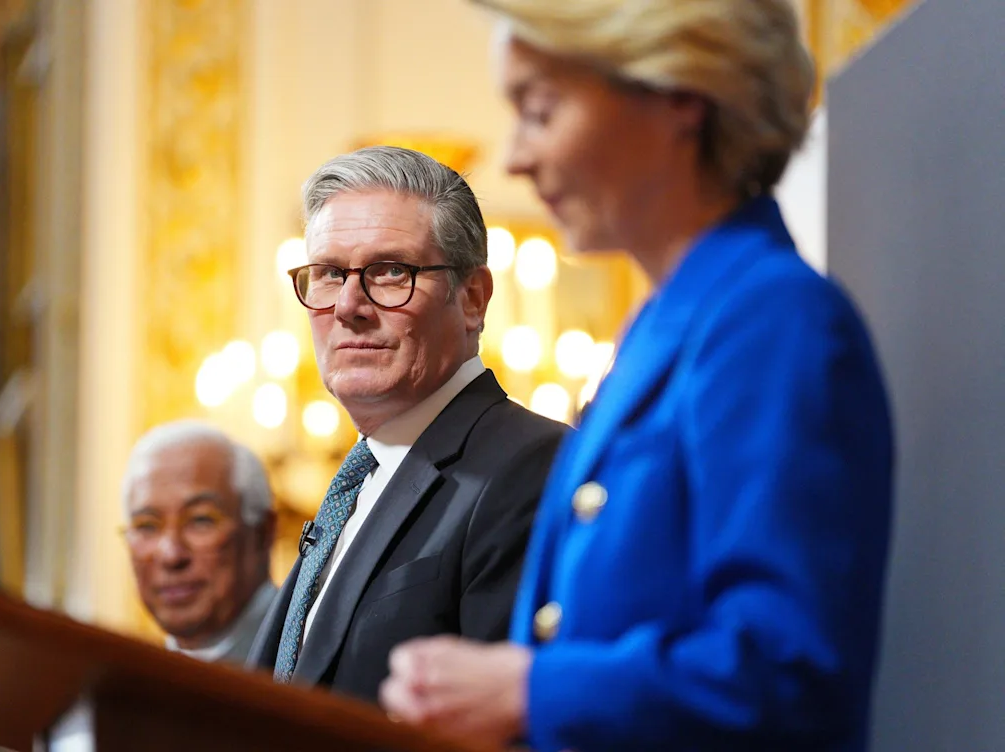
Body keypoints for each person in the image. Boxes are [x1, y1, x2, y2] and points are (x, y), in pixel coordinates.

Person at [380, 2, 894, 751]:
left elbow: (790, 673)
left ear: (680, 90)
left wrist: (526, 689)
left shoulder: (775, 321)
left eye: (540, 109)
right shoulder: (661, 332)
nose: (516, 157)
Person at [247, 146, 567, 704]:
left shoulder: (531, 467)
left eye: (390, 271)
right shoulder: (356, 482)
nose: (349, 305)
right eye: (326, 273)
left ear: (472, 298)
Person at [121, 420, 277, 664]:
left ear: (262, 533)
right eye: (147, 526)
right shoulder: (119, 685)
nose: (171, 555)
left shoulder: (315, 662)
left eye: (200, 520)